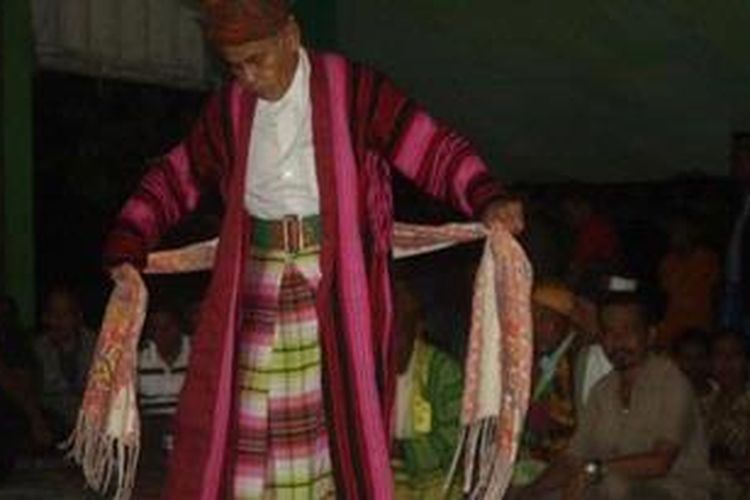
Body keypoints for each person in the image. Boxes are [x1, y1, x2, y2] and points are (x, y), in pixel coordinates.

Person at [102, 1, 522, 497]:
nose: (248, 77)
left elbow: (429, 146)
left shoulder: (353, 90)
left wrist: (487, 197)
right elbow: (177, 176)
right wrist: (129, 238)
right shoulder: (230, 109)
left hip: (338, 288)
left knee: (333, 437)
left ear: (291, 35)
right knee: (250, 431)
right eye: (235, 67)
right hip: (255, 288)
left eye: (256, 60)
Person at [518, 286, 710, 499]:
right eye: (609, 332)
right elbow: (573, 458)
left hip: (675, 491)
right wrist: (526, 492)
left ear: (650, 335)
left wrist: (593, 470)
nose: (618, 341)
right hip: (617, 488)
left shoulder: (672, 382)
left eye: (628, 331)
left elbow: (660, 463)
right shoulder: (603, 390)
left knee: (610, 485)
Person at [389, 274, 462, 499]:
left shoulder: (443, 372)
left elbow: (455, 444)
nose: (389, 346)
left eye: (397, 335)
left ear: (417, 330)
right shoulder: (367, 373)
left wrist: (400, 449)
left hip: (435, 483)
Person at [34, 286, 96, 429]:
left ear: (78, 316)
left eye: (66, 313)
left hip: (93, 423)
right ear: (45, 317)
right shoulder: (36, 350)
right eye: (53, 313)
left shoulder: (97, 345)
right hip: (53, 425)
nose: (59, 319)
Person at [657, 215, 719, 348]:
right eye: (672, 231)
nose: (674, 236)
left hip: (700, 326)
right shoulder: (667, 262)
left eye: (679, 230)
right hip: (672, 329)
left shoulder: (707, 258)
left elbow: (716, 293)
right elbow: (664, 296)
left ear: (692, 232)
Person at [703, 331, 750, 498]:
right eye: (719, 354)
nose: (727, 361)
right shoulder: (703, 405)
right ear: (709, 362)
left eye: (735, 354)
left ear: (747, 361)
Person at [562, 193, 620, 286]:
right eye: (566, 213)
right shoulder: (584, 229)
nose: (568, 218)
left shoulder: (594, 228)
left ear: (584, 207)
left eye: (570, 212)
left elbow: (579, 265)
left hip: (612, 283)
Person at [672, 328, 715, 401]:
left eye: (699, 357)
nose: (693, 363)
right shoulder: (670, 394)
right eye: (687, 358)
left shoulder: (719, 394)